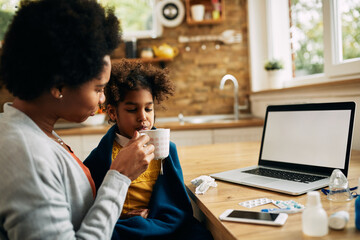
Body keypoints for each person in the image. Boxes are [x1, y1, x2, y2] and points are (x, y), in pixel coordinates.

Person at [0, 0, 154, 239]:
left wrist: (117, 214)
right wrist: (120, 177)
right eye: (98, 89)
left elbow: (67, 214)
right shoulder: (28, 154)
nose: (103, 99)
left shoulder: (35, 131)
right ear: (58, 84)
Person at [84, 59, 213, 240]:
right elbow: (92, 207)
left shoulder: (167, 150)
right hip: (124, 225)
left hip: (157, 221)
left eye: (148, 108)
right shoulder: (101, 156)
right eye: (131, 109)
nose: (143, 117)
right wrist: (122, 218)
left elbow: (176, 204)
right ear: (113, 113)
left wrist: (152, 217)